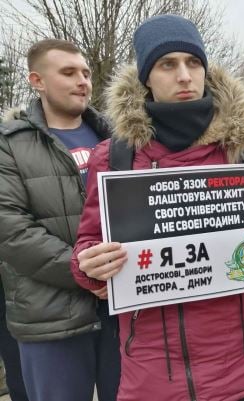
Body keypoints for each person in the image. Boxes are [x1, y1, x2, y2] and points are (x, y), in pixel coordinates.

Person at [71, 14, 244, 401]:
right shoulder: (115, 158)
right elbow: (87, 246)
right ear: (146, 76)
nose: (184, 76)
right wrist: (90, 268)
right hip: (150, 376)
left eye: (193, 62)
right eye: (168, 64)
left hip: (242, 371)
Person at [0, 39, 120, 401]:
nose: (83, 80)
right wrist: (81, 271)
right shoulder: (10, 144)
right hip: (50, 320)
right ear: (37, 80)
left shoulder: (120, 138)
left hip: (121, 311)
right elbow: (10, 228)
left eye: (85, 72)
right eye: (68, 73)